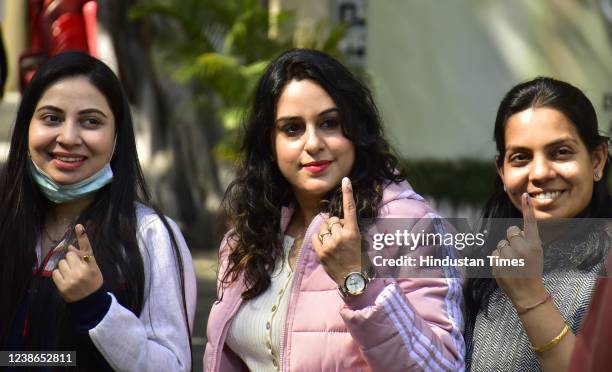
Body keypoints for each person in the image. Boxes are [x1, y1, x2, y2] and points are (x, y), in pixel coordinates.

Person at [204, 49, 465, 371]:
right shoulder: (245, 239)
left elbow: (442, 367)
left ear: (357, 132)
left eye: (329, 123)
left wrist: (358, 281)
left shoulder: (409, 226)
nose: (312, 143)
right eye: (292, 128)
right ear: (269, 145)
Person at [0, 51, 196, 371]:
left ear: (118, 137)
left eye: (91, 122)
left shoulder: (147, 236)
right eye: (51, 118)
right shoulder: (8, 223)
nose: (68, 138)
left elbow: (173, 366)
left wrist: (98, 308)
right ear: (25, 128)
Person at [465, 77, 611, 371]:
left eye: (561, 152)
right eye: (520, 158)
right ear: (502, 170)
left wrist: (530, 297)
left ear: (596, 160)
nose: (540, 173)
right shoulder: (488, 264)